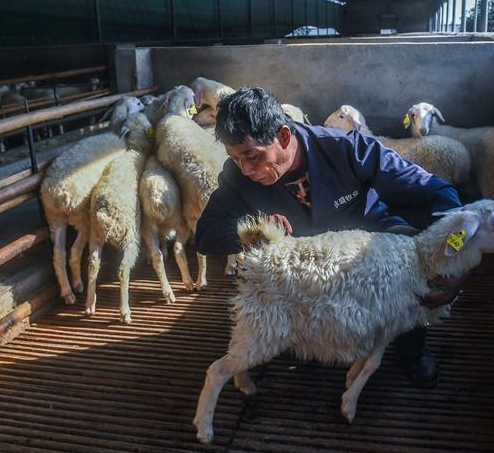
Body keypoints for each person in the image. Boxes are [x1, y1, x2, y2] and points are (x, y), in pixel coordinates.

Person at [194, 87, 465, 386]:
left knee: (417, 266)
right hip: (309, 266)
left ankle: (412, 351)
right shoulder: (238, 177)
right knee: (271, 296)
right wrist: (254, 228)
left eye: (252, 156)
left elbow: (438, 192)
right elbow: (206, 233)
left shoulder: (346, 148)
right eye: (235, 158)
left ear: (284, 136)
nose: (245, 169)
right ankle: (292, 338)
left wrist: (452, 255)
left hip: (371, 245)